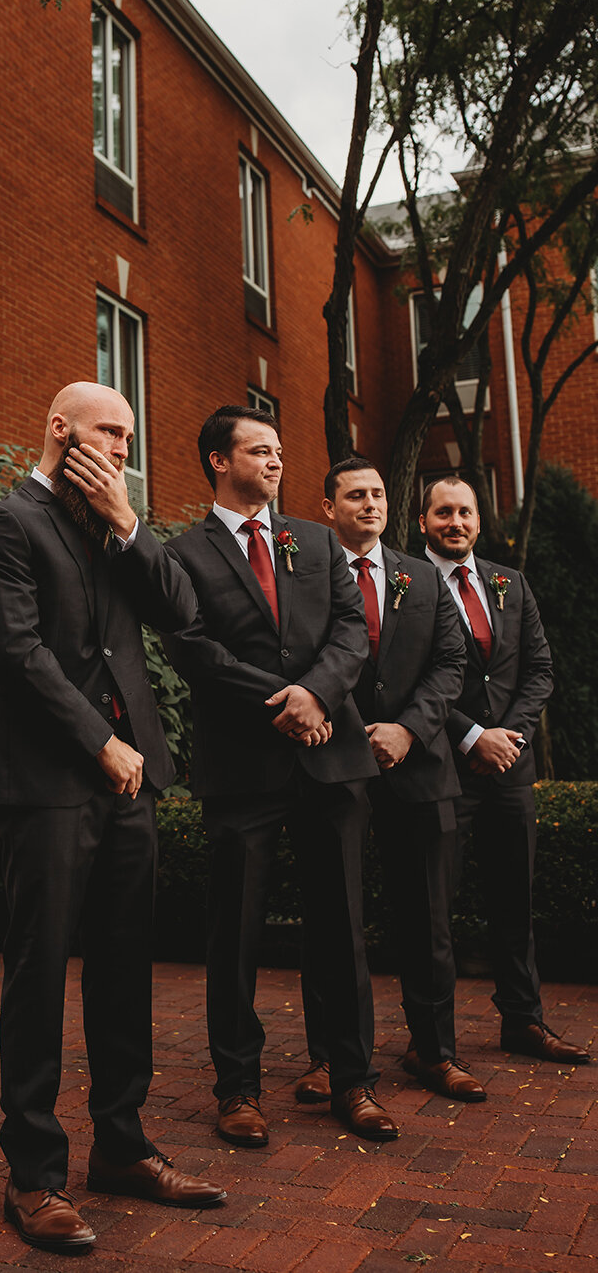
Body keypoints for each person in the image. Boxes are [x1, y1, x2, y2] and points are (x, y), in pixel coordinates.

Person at [0, 381, 226, 1255]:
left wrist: (129, 524)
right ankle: (33, 1175)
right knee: (38, 974)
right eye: (109, 431)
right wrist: (99, 744)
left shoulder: (113, 528)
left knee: (123, 970)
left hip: (131, 787)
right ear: (58, 428)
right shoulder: (6, 525)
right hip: (48, 787)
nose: (121, 447)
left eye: (128, 436)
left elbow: (183, 613)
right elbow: (19, 655)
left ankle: (121, 1145)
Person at [163, 407, 398, 1144]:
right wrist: (282, 702)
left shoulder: (316, 540)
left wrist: (317, 693)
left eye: (279, 451)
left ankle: (352, 1081)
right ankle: (237, 1089)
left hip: (331, 759)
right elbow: (192, 649)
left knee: (343, 930)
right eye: (258, 451)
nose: (274, 462)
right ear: (217, 462)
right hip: (243, 765)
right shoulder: (183, 553)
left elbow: (349, 631)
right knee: (235, 933)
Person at [295, 458, 484, 1107]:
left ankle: (435, 1050)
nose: (370, 504)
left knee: (429, 920)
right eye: (355, 494)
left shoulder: (423, 578)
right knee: (333, 918)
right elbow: (303, 661)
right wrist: (356, 730)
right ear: (328, 507)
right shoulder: (308, 579)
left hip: (422, 766)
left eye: (377, 494)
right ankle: (329, 1058)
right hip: (336, 763)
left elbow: (450, 663)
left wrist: (408, 728)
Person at [420, 476, 590, 1066]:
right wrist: (472, 736)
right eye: (443, 512)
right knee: (435, 909)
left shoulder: (508, 582)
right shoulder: (406, 585)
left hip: (510, 768)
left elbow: (539, 668)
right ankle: (432, 1042)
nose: (456, 522)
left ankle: (523, 1021)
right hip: (443, 768)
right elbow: (405, 682)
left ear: (477, 521)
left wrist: (508, 737)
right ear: (424, 523)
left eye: (465, 512)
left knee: (514, 901)